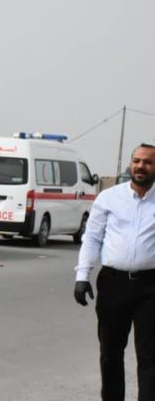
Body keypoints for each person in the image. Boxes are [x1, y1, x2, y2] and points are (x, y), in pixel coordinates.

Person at [74, 143, 155, 401]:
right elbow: (92, 238)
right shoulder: (109, 198)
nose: (141, 166)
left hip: (150, 287)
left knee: (150, 356)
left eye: (148, 162)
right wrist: (82, 276)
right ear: (130, 164)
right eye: (137, 160)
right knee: (110, 352)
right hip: (113, 284)